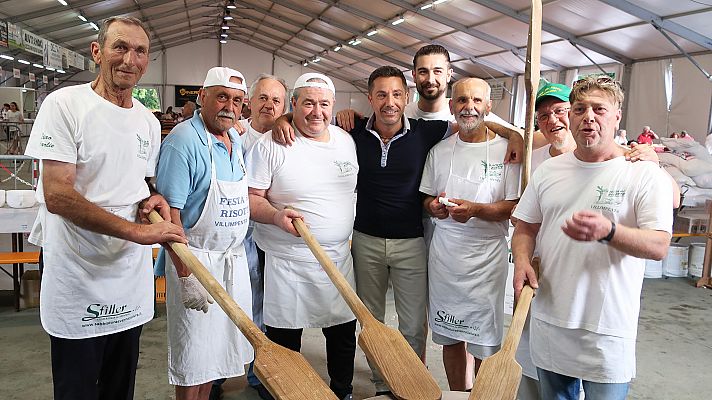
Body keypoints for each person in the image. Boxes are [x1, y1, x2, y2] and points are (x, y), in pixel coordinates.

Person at [271, 66, 522, 396]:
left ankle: (412, 384)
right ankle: (381, 386)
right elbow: (311, 118)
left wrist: (514, 134)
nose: (389, 102)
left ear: (407, 98)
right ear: (370, 98)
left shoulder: (427, 132)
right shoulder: (353, 132)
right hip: (365, 242)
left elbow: (471, 119)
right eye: (381, 94)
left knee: (414, 326)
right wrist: (283, 118)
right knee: (371, 321)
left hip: (411, 243)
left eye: (396, 94)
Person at [24, 16, 186, 400]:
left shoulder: (147, 121)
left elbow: (139, 184)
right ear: (97, 52)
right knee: (77, 387)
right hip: (77, 272)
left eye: (140, 51)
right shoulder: (65, 105)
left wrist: (153, 199)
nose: (130, 59)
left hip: (126, 274)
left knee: (119, 385)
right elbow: (57, 195)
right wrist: (140, 233)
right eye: (120, 47)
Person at [511, 76, 673, 400]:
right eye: (580, 109)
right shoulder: (549, 171)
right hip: (551, 319)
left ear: (617, 117)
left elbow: (659, 245)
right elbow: (525, 227)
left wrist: (610, 232)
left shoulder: (642, 173)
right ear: (570, 116)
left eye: (599, 109)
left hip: (608, 328)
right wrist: (521, 261)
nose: (588, 117)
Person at [246, 72, 358, 400]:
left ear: (333, 106)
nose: (316, 111)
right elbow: (251, 199)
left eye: (324, 104)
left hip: (337, 258)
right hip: (287, 261)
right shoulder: (272, 144)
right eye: (308, 103)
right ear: (294, 104)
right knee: (284, 336)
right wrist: (276, 216)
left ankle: (342, 391)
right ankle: (283, 391)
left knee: (341, 331)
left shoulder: (345, 141)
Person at [155, 67, 254, 400]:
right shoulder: (183, 141)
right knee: (193, 355)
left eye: (237, 100)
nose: (229, 106)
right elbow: (169, 216)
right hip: (196, 260)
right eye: (221, 97)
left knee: (217, 357)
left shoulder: (234, 139)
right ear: (202, 97)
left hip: (230, 262)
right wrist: (186, 276)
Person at [419, 78, 520, 391]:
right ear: (452, 107)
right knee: (449, 337)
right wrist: (434, 206)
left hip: (487, 259)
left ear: (489, 107)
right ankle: (458, 395)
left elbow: (515, 206)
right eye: (462, 100)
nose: (469, 107)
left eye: (477, 101)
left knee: (483, 343)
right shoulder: (439, 151)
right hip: (446, 257)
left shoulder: (508, 151)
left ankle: (481, 395)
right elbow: (425, 198)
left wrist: (476, 210)